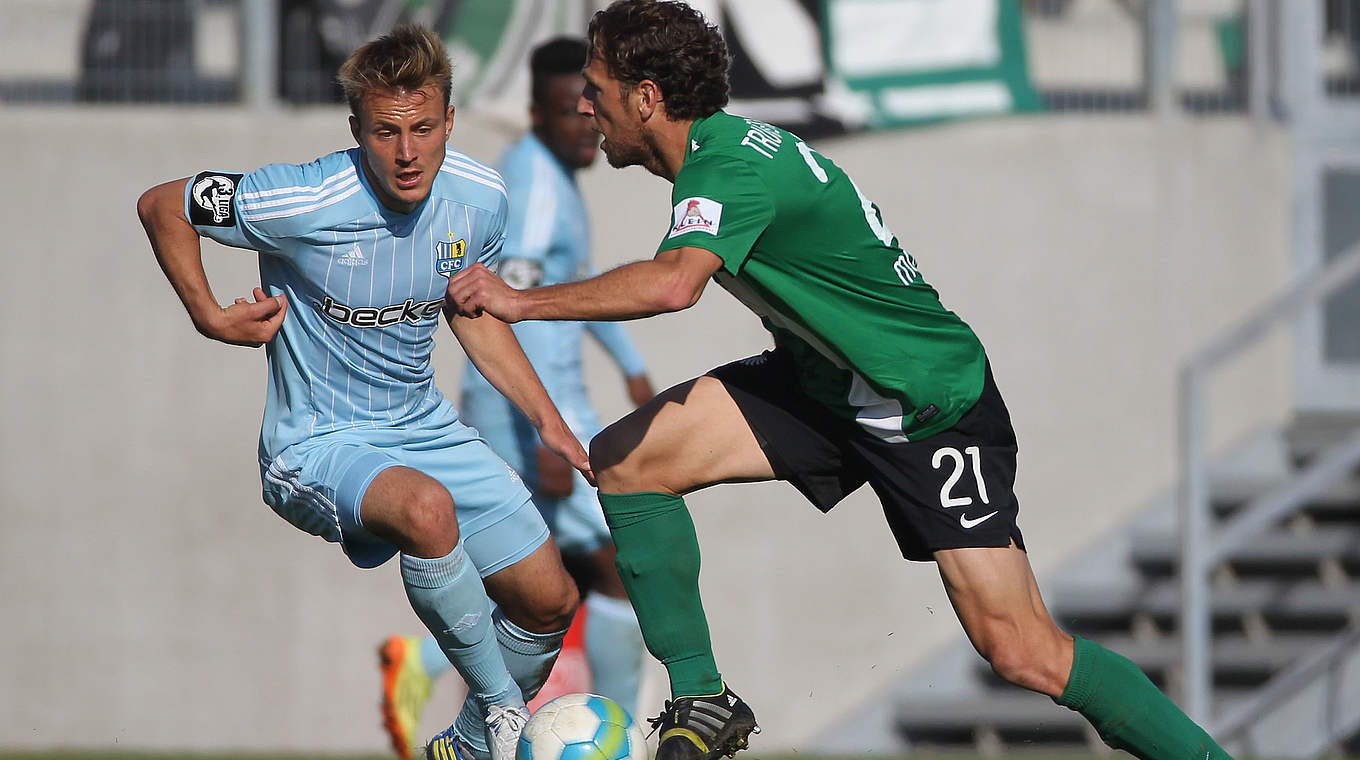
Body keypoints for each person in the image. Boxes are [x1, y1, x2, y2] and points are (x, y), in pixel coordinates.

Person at [442, 3, 1236, 760]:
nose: (586, 102)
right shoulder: (722, 155)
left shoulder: (726, 172)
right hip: (824, 385)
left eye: (599, 88)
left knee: (1023, 649)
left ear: (646, 99)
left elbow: (673, 285)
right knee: (627, 461)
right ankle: (702, 697)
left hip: (924, 405)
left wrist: (518, 302)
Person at [137, 24, 588, 760]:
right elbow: (164, 204)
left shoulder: (481, 200)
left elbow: (470, 315)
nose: (406, 153)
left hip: (423, 428)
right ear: (358, 129)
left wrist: (548, 420)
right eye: (385, 131)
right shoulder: (303, 196)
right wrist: (210, 315)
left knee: (549, 601)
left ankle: (469, 747)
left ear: (449, 122)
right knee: (426, 510)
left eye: (421, 129)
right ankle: (508, 714)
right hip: (315, 444)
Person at [378, 36, 655, 758]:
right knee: (622, 563)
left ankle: (432, 667)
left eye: (589, 109)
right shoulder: (532, 187)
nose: (585, 125)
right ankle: (615, 737)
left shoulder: (552, 178)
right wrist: (545, 435)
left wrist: (626, 361)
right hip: (531, 414)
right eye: (567, 113)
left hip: (552, 409)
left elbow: (575, 276)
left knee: (562, 573)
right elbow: (512, 305)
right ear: (535, 114)